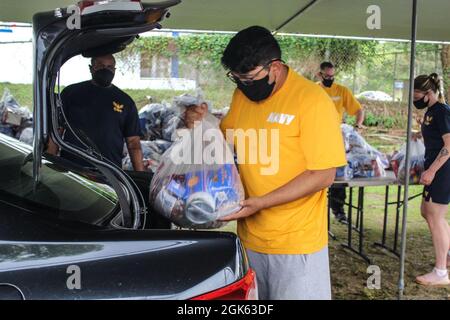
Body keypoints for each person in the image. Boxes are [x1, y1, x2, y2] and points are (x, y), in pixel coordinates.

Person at [185, 26, 347, 299]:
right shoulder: (243, 96)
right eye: (235, 78)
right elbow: (225, 142)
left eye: (247, 78)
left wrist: (259, 203)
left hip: (296, 243)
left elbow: (323, 175)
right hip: (249, 238)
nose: (242, 85)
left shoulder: (311, 100)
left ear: (274, 67)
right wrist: (202, 124)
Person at [47, 54, 144, 171]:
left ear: (114, 70)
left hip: (110, 172)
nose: (106, 70)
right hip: (72, 168)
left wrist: (141, 175)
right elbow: (56, 132)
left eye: (110, 67)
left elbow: (133, 143)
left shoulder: (125, 101)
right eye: (101, 66)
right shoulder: (71, 93)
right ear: (91, 68)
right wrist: (49, 165)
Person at [413, 73, 450, 286]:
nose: (414, 98)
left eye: (417, 94)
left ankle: (441, 272)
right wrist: (419, 136)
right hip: (434, 167)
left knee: (435, 216)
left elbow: (449, 145)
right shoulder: (431, 112)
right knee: (427, 212)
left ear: (428, 94)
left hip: (443, 170)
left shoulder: (442, 112)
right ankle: (446, 256)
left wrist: (432, 171)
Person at [317, 61, 365, 223]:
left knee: (339, 176)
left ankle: (338, 210)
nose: (330, 78)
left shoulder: (342, 91)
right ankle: (316, 212)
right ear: (319, 75)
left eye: (332, 76)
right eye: (327, 76)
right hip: (315, 139)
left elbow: (358, 110)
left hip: (337, 140)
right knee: (315, 176)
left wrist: (357, 126)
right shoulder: (313, 90)